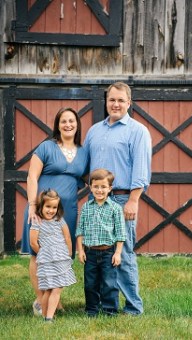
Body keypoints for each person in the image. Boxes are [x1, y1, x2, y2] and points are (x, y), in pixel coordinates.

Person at [83, 81, 152, 315]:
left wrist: (133, 200)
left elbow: (141, 170)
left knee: (123, 252)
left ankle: (133, 307)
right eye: (112, 100)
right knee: (99, 254)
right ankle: (104, 303)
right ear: (106, 101)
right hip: (97, 201)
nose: (116, 104)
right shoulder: (94, 131)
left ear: (129, 103)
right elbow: (86, 167)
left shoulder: (137, 131)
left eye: (121, 100)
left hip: (122, 200)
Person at [20, 107, 88, 316]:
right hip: (41, 210)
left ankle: (54, 298)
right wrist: (33, 205)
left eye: (72, 121)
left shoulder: (84, 152)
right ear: (57, 125)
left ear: (77, 125)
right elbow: (32, 177)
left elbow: (89, 179)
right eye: (63, 121)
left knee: (60, 254)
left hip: (67, 211)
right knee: (38, 254)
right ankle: (41, 301)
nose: (68, 125)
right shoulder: (46, 147)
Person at [76, 169, 126, 317]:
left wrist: (117, 253)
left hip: (108, 252)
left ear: (110, 188)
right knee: (90, 284)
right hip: (90, 252)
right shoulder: (86, 207)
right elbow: (80, 230)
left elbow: (120, 233)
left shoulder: (115, 208)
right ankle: (92, 310)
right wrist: (81, 250)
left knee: (109, 283)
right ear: (90, 187)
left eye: (103, 187)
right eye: (96, 186)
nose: (99, 190)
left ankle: (110, 311)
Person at [29, 189, 77, 322]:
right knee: (53, 288)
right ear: (41, 206)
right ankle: (48, 318)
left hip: (61, 258)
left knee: (52, 289)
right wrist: (44, 254)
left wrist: (69, 253)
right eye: (48, 207)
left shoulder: (59, 220)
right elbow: (33, 243)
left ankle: (46, 316)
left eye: (54, 207)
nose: (51, 210)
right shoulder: (37, 222)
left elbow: (67, 237)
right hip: (47, 260)